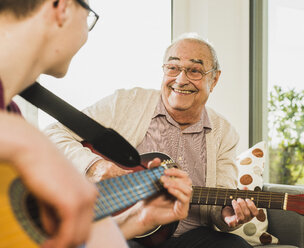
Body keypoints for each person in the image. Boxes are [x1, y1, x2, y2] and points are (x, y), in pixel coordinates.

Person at [0, 0, 191, 247]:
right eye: (88, 16)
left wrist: (135, 219)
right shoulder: (17, 134)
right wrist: (30, 142)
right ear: (62, 8)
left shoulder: (11, 113)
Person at [45, 33, 258, 248]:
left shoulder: (225, 132)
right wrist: (95, 166)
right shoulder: (126, 102)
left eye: (194, 70)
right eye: (173, 68)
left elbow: (219, 205)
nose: (181, 79)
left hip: (192, 238)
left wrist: (227, 216)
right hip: (126, 232)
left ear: (214, 79)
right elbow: (54, 134)